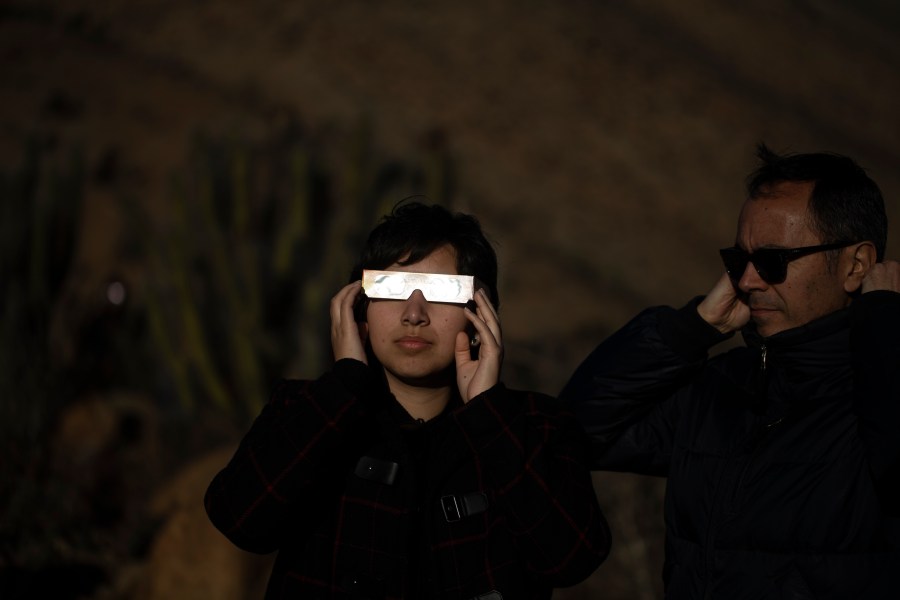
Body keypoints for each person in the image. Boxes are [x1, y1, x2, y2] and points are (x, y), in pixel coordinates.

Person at [206, 201, 610, 599]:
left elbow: (570, 560)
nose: (414, 313)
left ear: (480, 314)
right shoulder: (306, 410)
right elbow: (240, 520)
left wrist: (488, 414)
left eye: (440, 292)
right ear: (358, 307)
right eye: (391, 288)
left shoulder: (538, 425)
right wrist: (345, 384)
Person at [559, 145, 900, 599]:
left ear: (856, 265)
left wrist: (884, 327)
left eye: (773, 261)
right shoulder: (721, 387)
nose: (747, 281)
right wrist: (691, 328)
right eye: (739, 261)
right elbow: (570, 435)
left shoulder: (875, 393)